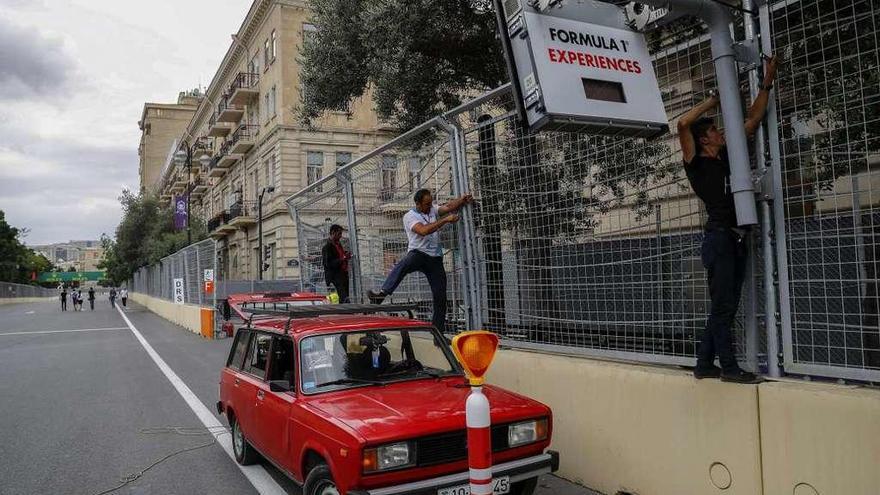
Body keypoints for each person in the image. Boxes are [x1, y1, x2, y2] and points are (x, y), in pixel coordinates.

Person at [678, 55, 778, 384]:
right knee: (724, 307)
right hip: (719, 238)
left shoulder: (725, 155)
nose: (721, 133)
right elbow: (682, 124)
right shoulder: (695, 162)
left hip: (735, 238)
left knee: (726, 304)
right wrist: (713, 99)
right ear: (705, 138)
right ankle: (731, 369)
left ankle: (705, 364)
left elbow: (752, 119)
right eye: (716, 131)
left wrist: (766, 82)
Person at [367, 189, 473, 333]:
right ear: (417, 203)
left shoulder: (432, 210)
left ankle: (438, 333)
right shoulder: (409, 216)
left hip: (435, 258)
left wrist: (462, 199)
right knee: (404, 264)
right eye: (426, 204)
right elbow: (423, 231)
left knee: (440, 296)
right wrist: (445, 220)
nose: (430, 206)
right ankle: (381, 295)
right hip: (419, 253)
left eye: (431, 203)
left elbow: (448, 207)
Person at [322, 224, 352, 303]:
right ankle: (346, 312)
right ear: (333, 233)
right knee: (343, 298)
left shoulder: (338, 245)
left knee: (345, 297)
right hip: (334, 278)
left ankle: (347, 313)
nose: (340, 236)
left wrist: (345, 255)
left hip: (343, 274)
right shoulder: (327, 247)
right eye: (339, 234)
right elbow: (328, 263)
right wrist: (343, 258)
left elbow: (339, 256)